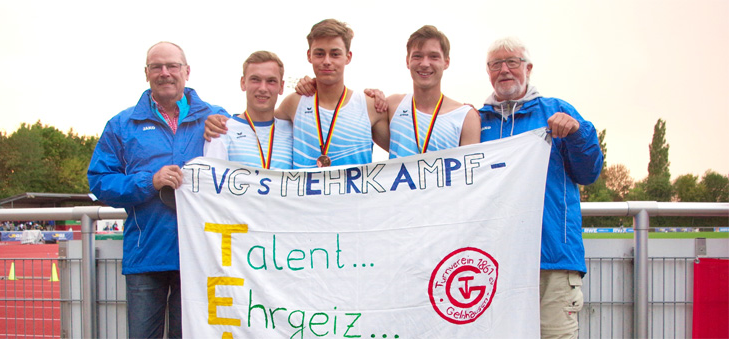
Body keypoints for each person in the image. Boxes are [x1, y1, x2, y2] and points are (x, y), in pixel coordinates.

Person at [87, 41, 228, 338]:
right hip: (147, 254)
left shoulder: (216, 118)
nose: (165, 73)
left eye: (172, 66)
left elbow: (248, 163)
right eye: (157, 67)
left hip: (201, 256)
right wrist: (148, 181)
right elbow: (99, 181)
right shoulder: (122, 124)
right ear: (146, 73)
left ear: (187, 71)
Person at [478, 37, 603, 338]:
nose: (505, 70)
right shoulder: (477, 121)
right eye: (497, 64)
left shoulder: (557, 110)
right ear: (488, 71)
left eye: (513, 62)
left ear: (528, 68)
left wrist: (577, 132)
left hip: (552, 261)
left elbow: (590, 172)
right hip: (496, 262)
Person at [205, 19, 390, 168]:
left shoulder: (369, 105)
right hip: (305, 213)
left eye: (335, 54)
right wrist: (222, 121)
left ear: (348, 57)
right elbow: (258, 120)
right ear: (309, 55)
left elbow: (405, 156)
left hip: (352, 211)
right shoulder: (294, 104)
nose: (326, 61)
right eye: (319, 54)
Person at [386, 25, 480, 158]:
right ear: (407, 61)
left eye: (433, 57)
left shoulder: (465, 117)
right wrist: (373, 94)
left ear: (446, 62)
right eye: (417, 56)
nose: (424, 64)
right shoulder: (392, 106)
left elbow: (469, 174)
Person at [204, 51, 293, 169]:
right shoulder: (222, 131)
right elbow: (211, 182)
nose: (263, 88)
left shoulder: (293, 131)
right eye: (255, 79)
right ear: (243, 83)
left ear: (281, 87)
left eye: (271, 81)